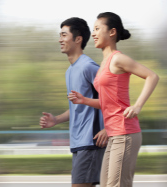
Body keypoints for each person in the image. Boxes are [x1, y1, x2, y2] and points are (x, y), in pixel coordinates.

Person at [68, 12, 159, 187]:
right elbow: (108, 103)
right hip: (113, 134)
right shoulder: (103, 63)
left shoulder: (118, 58)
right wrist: (84, 100)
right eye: (93, 30)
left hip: (125, 132)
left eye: (97, 29)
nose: (93, 34)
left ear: (112, 32)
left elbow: (152, 76)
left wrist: (138, 105)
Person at [39, 17, 108, 187]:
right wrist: (56, 120)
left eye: (64, 35)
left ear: (78, 39)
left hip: (91, 142)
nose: (60, 39)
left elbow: (112, 99)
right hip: (78, 143)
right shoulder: (70, 71)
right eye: (60, 35)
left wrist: (108, 128)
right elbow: (79, 107)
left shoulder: (88, 67)